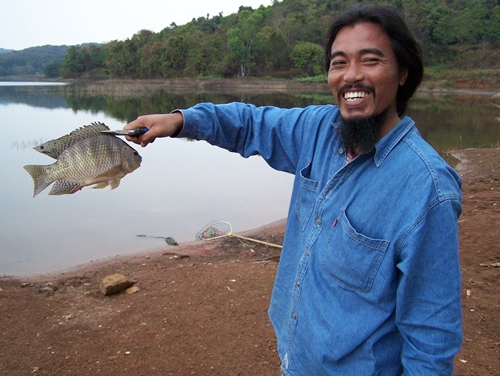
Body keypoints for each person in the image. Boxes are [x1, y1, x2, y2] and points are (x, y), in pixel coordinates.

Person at [124, 5, 463, 375]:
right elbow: (249, 124)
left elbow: (431, 335)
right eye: (339, 63)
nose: (352, 75)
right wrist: (181, 121)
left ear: (403, 74)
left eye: (370, 61)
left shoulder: (426, 188)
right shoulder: (318, 129)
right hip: (295, 360)